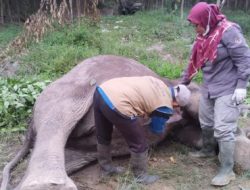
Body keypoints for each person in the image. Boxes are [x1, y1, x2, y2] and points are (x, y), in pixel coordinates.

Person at [181, 2, 250, 187]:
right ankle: (207, 150)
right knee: (206, 122)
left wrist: (242, 85)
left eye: (197, 24)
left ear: (207, 19)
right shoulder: (203, 36)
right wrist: (182, 83)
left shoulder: (229, 32)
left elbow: (244, 58)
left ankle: (227, 170)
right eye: (193, 25)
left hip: (228, 88)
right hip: (209, 87)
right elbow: (193, 62)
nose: (196, 28)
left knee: (223, 127)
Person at [93, 76, 191, 184]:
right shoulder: (165, 106)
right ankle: (141, 177)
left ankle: (106, 168)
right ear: (177, 104)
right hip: (118, 103)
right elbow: (156, 130)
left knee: (103, 135)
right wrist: (162, 124)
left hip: (101, 92)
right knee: (139, 144)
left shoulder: (160, 83)